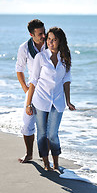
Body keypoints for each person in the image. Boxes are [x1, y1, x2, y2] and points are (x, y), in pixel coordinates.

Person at [26, 27, 76, 170]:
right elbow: (33, 81)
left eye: (54, 40)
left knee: (53, 134)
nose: (50, 42)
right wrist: (28, 104)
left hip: (58, 101)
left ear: (60, 41)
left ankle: (56, 163)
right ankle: (46, 163)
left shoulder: (65, 57)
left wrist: (68, 101)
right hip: (41, 100)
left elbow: (67, 79)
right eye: (49, 39)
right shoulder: (40, 57)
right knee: (42, 134)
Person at [16, 19, 46, 163]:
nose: (43, 36)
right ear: (31, 34)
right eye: (40, 34)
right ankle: (29, 154)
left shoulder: (51, 44)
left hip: (49, 91)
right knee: (27, 123)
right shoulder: (24, 48)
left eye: (44, 32)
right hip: (33, 90)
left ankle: (46, 157)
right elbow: (19, 69)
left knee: (46, 126)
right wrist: (26, 89)